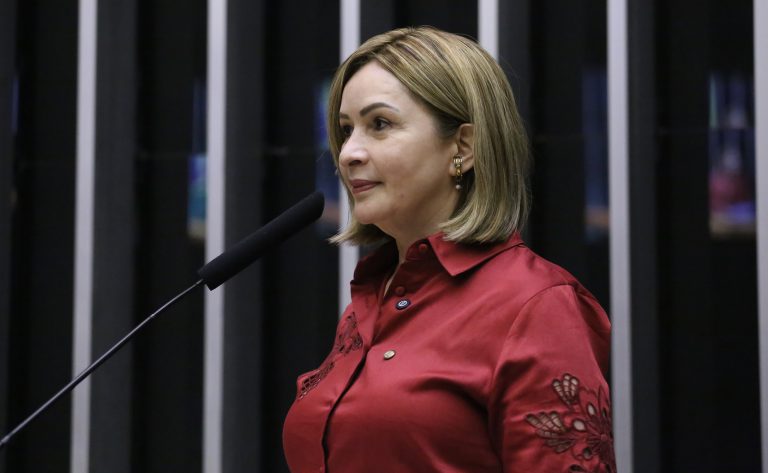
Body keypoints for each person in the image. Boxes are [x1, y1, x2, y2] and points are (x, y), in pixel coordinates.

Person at [283, 26, 615, 473]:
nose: (347, 154)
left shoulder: (538, 306)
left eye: (379, 124)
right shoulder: (375, 292)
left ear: (463, 146)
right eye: (346, 130)